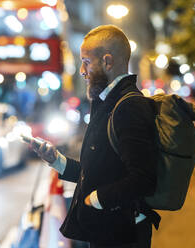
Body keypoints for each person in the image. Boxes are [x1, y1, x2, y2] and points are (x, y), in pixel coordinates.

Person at [31, 25, 160, 248]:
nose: (82, 70)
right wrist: (56, 161)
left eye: (87, 62)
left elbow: (144, 178)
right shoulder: (108, 103)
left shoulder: (129, 106)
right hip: (107, 231)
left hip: (122, 236)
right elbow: (98, 174)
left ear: (107, 62)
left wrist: (97, 199)